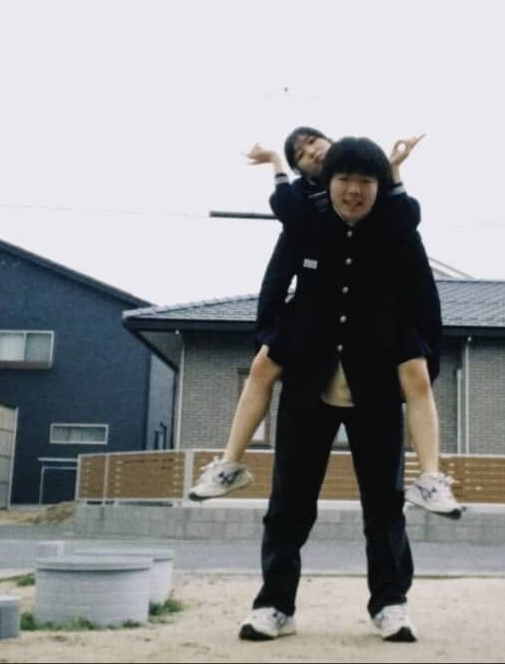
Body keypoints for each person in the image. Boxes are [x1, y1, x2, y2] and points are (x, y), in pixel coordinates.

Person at [188, 126, 460, 518]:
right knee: (262, 365)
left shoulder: (385, 207)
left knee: (416, 372)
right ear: (316, 175)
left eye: (314, 141)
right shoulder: (303, 208)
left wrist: (393, 169)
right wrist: (268, 332)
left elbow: (409, 231)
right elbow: (278, 264)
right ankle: (230, 463)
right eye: (301, 153)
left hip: (379, 321)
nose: (312, 152)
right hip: (313, 320)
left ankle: (430, 477)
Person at [237, 136, 438, 642]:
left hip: (376, 389)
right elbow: (273, 286)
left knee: (384, 506)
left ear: (378, 187)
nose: (353, 190)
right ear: (328, 184)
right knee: (289, 504)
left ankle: (390, 604)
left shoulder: (394, 231)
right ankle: (275, 605)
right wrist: (272, 341)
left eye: (365, 181)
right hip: (308, 385)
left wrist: (421, 356)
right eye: (344, 179)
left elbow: (423, 295)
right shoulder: (307, 227)